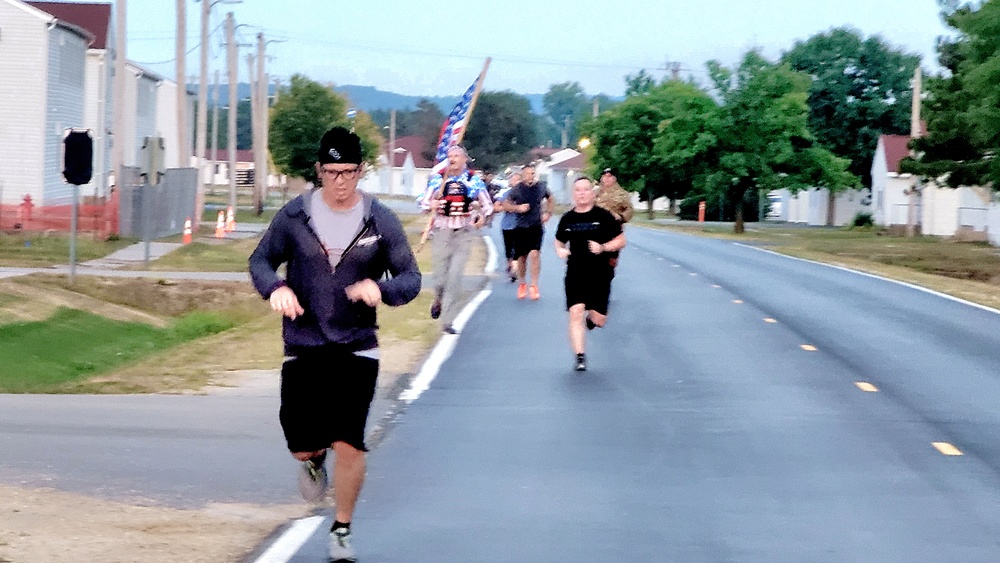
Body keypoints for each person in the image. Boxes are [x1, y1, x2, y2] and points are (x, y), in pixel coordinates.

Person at [248, 126, 421, 562]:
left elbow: (411, 278)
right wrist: (275, 289)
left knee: (350, 440)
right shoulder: (294, 217)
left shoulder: (379, 220)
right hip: (303, 342)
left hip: (356, 345)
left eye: (349, 172)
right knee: (303, 441)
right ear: (319, 171)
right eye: (331, 172)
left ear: (361, 171)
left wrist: (382, 291)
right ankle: (311, 458)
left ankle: (342, 528)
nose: (340, 182)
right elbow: (260, 260)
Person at [554, 177, 626, 372]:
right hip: (576, 272)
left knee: (599, 319)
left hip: (601, 273)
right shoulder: (568, 218)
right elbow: (559, 241)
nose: (582, 193)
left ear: (593, 193)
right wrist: (560, 250)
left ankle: (592, 320)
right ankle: (580, 356)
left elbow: (621, 241)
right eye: (578, 190)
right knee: (575, 311)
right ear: (574, 194)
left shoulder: (603, 216)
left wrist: (602, 247)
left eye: (586, 190)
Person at [418, 145, 493, 333]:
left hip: (464, 232)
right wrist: (432, 203)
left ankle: (447, 321)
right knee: (440, 277)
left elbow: (488, 205)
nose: (452, 159)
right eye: (449, 156)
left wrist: (481, 216)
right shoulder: (439, 179)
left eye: (456, 156)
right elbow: (423, 201)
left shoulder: (473, 181)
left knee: (455, 276)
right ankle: (438, 298)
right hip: (442, 231)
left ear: (464, 159)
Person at [502, 163, 553, 300]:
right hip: (520, 227)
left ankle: (534, 286)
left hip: (536, 226)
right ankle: (522, 283)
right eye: (527, 174)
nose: (530, 176)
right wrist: (518, 208)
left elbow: (550, 198)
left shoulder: (541, 187)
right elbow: (505, 204)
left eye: (532, 173)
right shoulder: (517, 190)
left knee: (535, 254)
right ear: (522, 175)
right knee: (522, 258)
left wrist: (548, 213)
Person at [594, 168, 634, 269]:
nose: (606, 179)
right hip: (594, 229)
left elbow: (629, 210)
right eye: (604, 176)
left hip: (612, 230)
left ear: (615, 178)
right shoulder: (594, 192)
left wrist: (621, 217)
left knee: (609, 259)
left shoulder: (622, 194)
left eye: (610, 176)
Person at [498, 171, 522, 282]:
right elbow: (496, 207)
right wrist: (508, 207)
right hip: (507, 225)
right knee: (509, 249)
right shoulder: (506, 194)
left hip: (521, 225)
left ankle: (515, 269)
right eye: (513, 179)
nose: (516, 182)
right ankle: (510, 265)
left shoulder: (525, 194)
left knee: (518, 248)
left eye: (518, 179)